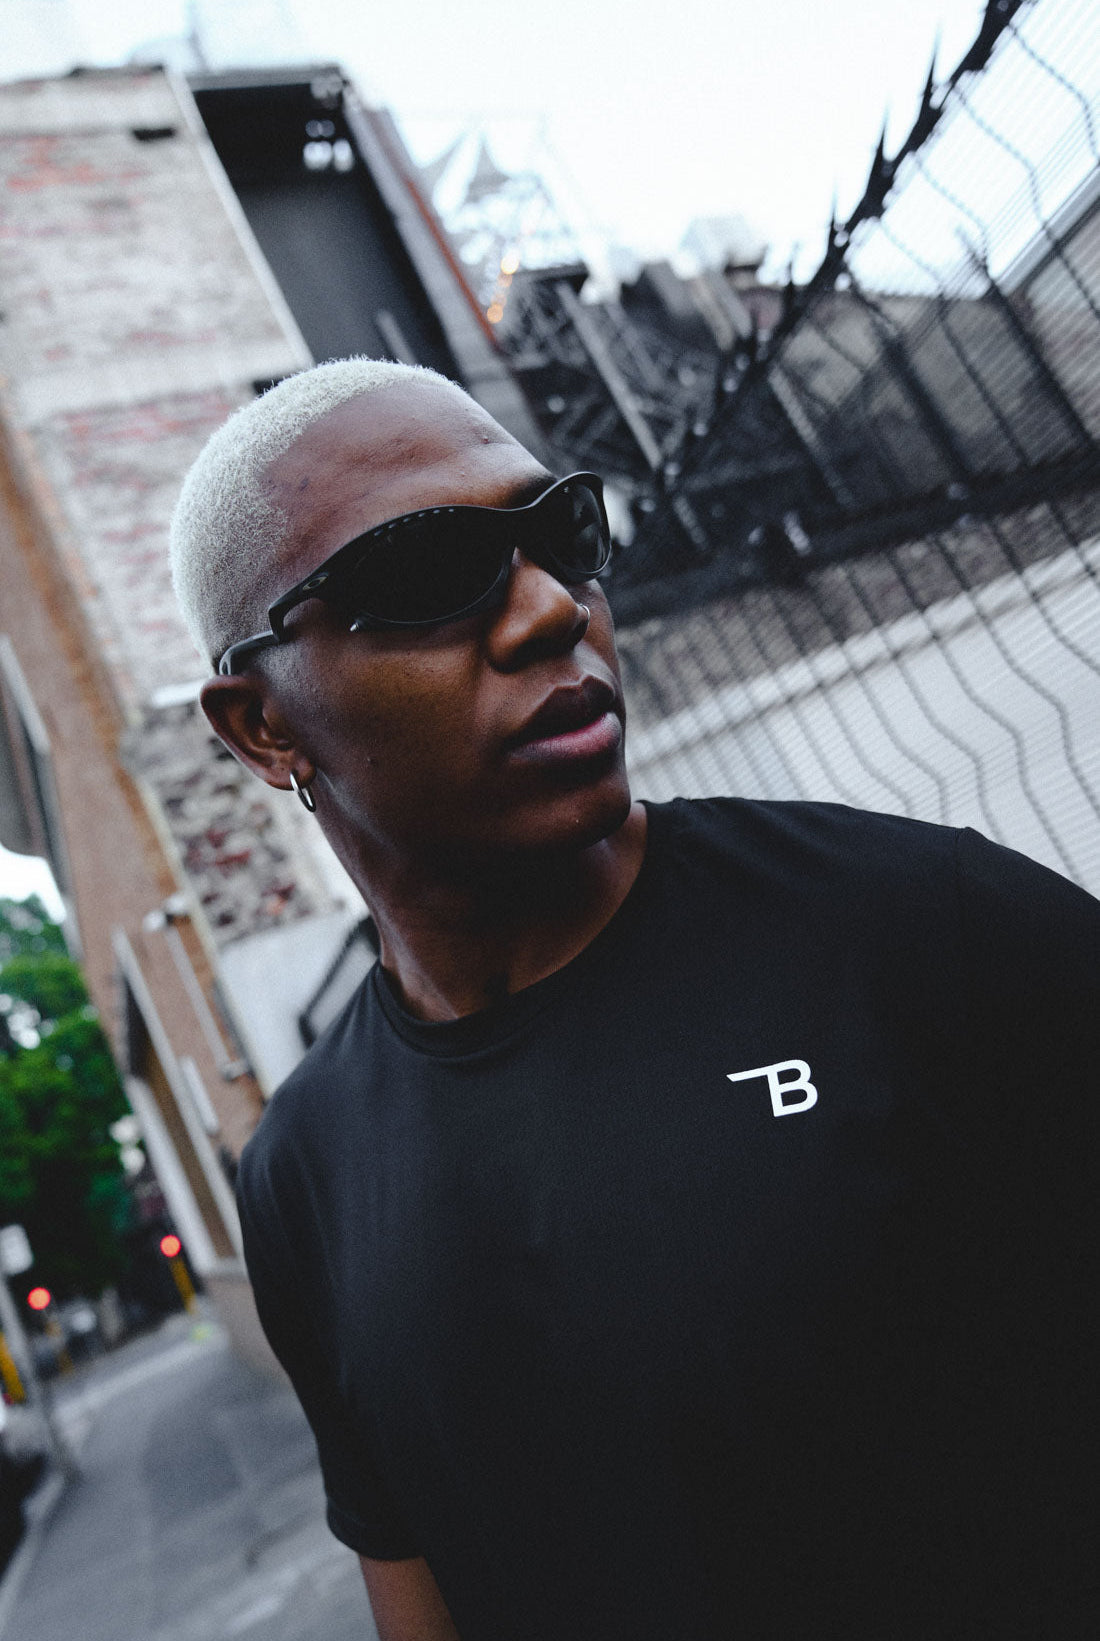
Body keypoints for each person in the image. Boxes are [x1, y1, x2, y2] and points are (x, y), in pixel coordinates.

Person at [172, 358, 1097, 1641]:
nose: (551, 610)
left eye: (563, 537)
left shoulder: (926, 933)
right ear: (262, 727)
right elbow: (416, 1576)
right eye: (425, 573)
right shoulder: (302, 1177)